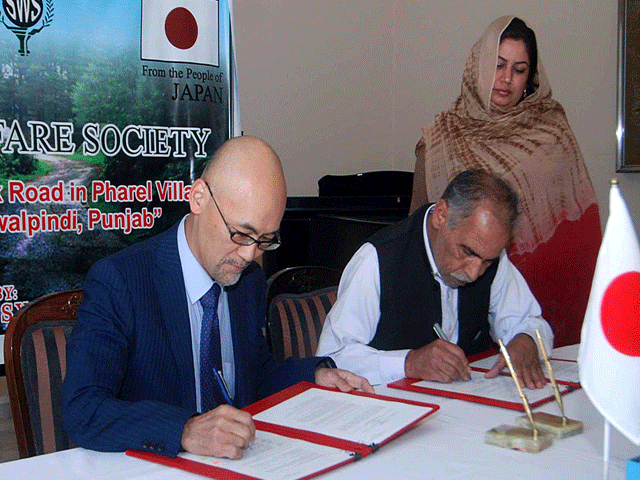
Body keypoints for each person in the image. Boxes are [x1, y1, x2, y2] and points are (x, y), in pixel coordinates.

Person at [62, 136, 372, 460]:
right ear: (198, 198)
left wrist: (313, 376)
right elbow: (83, 409)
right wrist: (184, 429)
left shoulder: (247, 281)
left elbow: (253, 376)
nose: (250, 254)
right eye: (240, 233)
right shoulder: (122, 281)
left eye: (266, 240)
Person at [409, 16, 601, 348]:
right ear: (478, 67)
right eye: (498, 65)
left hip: (547, 292)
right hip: (466, 293)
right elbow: (418, 227)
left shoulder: (551, 129)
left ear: (530, 78)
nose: (506, 79)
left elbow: (578, 226)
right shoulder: (441, 137)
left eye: (519, 69)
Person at [316, 170, 553, 389]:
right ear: (441, 216)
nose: (474, 273)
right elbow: (331, 359)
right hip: (389, 413)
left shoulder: (486, 253)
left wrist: (527, 341)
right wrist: (408, 363)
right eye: (467, 252)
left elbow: (530, 321)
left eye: (487, 262)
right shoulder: (377, 259)